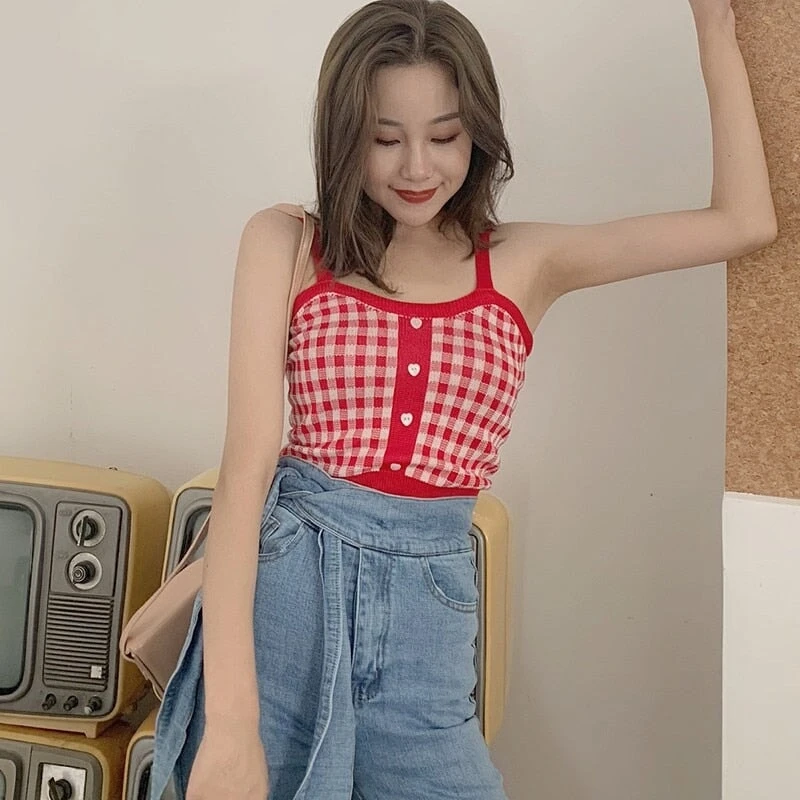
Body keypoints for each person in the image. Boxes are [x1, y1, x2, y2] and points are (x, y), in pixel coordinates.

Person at [149, 1, 777, 798]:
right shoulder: (287, 244)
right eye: (385, 138)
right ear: (343, 135)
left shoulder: (525, 261)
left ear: (478, 132)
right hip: (288, 594)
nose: (417, 167)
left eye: (444, 135)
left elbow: (743, 222)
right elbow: (245, 472)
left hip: (430, 611)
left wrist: (714, 29)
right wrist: (233, 724)